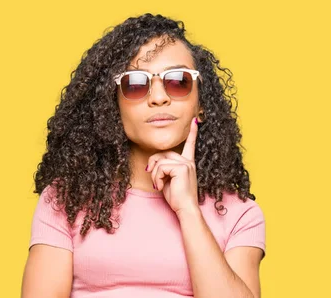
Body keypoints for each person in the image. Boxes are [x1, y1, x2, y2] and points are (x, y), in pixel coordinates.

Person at [21, 13, 266, 298]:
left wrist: (188, 211)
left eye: (178, 81)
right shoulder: (67, 200)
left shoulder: (240, 214)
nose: (158, 97)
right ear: (113, 106)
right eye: (136, 84)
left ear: (202, 105)